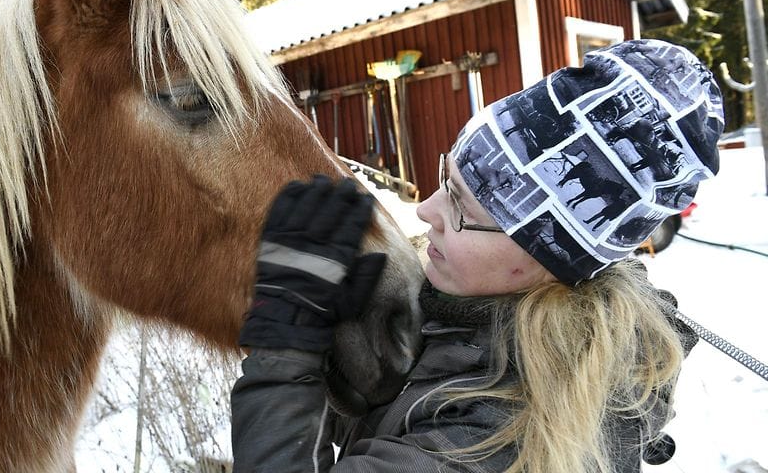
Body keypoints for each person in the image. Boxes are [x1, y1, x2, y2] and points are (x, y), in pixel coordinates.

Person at [231, 39, 723, 473]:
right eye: (449, 181)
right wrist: (343, 353)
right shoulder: (481, 315)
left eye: (464, 206)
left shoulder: (509, 433)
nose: (425, 209)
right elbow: (390, 420)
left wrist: (284, 347)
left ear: (551, 255)